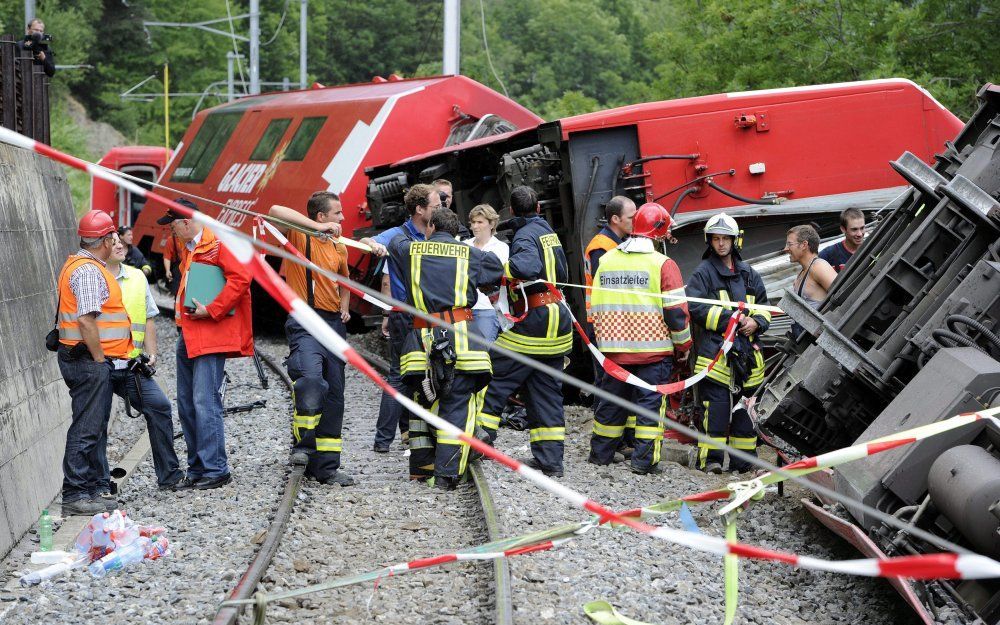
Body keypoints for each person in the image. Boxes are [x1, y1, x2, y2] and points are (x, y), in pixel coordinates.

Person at [389, 209, 503, 488]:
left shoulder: (410, 251)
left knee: (421, 405)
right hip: (462, 341)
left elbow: (394, 243)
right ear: (456, 232)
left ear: (430, 227)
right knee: (456, 407)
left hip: (421, 344)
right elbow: (495, 270)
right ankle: (446, 476)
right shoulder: (469, 254)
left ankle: (421, 468)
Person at [588, 203, 692, 475]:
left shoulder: (608, 260)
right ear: (658, 234)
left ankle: (600, 455)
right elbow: (676, 314)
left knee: (611, 404)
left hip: (613, 350)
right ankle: (643, 463)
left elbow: (593, 304)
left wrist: (605, 340)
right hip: (653, 351)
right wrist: (683, 347)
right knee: (648, 409)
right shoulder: (663, 264)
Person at [157, 199, 253, 490]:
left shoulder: (218, 244)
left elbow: (241, 279)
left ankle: (215, 468)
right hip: (189, 332)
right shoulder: (193, 248)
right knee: (188, 403)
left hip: (209, 334)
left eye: (173, 226)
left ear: (186, 222)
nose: (171, 233)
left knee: (204, 401)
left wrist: (212, 308)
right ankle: (199, 468)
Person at [477, 185, 572, 477]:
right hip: (558, 320)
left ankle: (479, 441)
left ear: (513, 211)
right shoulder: (548, 232)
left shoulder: (526, 235)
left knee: (491, 373)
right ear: (539, 208)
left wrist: (498, 269)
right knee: (544, 391)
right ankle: (550, 461)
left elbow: (526, 267)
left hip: (536, 321)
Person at [268, 193, 355, 486]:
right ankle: (303, 446)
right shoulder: (300, 236)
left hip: (332, 325)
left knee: (335, 395)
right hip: (305, 320)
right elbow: (275, 208)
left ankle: (326, 468)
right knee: (311, 379)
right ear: (321, 218)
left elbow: (344, 280)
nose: (342, 219)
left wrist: (344, 305)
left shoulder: (338, 246)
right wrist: (314, 229)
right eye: (338, 214)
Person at [56, 211, 133, 515]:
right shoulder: (88, 272)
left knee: (92, 426)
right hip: (87, 360)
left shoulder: (78, 265)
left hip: (79, 358)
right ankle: (75, 494)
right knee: (86, 428)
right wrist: (101, 361)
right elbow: (86, 320)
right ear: (105, 239)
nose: (115, 239)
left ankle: (87, 490)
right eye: (112, 235)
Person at [686, 213, 771, 474]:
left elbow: (765, 307)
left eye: (726, 239)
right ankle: (711, 461)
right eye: (716, 239)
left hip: (747, 356)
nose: (721, 244)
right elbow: (696, 308)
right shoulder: (703, 273)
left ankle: (743, 462)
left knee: (746, 410)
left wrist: (756, 322)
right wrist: (731, 321)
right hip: (716, 355)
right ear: (709, 241)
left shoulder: (749, 274)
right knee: (716, 411)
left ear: (735, 241)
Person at [360, 184, 442, 454]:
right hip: (405, 316)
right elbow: (365, 243)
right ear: (420, 209)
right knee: (398, 376)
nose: (441, 208)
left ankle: (420, 433)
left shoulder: (436, 232)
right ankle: (383, 441)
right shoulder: (397, 235)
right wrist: (373, 245)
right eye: (436, 205)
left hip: (430, 315)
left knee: (428, 374)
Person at [104, 237, 184, 491]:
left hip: (129, 364)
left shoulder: (137, 277)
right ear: (101, 246)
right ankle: (97, 483)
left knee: (159, 406)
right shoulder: (92, 277)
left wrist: (152, 353)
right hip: (99, 365)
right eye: (113, 242)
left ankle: (169, 475)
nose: (120, 246)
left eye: (121, 243)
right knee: (94, 422)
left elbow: (148, 318)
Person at [583, 196, 638, 451]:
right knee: (609, 383)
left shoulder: (618, 242)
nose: (635, 221)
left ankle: (624, 440)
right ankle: (608, 443)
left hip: (616, 321)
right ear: (615, 219)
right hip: (604, 323)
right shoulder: (602, 247)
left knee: (623, 381)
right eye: (631, 217)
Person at [463, 204, 509, 341]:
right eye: (473, 222)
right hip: (463, 309)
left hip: (489, 309)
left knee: (483, 351)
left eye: (480, 222)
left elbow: (493, 278)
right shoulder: (464, 245)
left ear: (492, 224)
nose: (475, 226)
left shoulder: (501, 248)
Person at [819, 207, 865, 272]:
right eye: (854, 229)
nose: (860, 234)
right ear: (843, 229)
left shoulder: (874, 248)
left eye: (862, 228)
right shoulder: (827, 255)